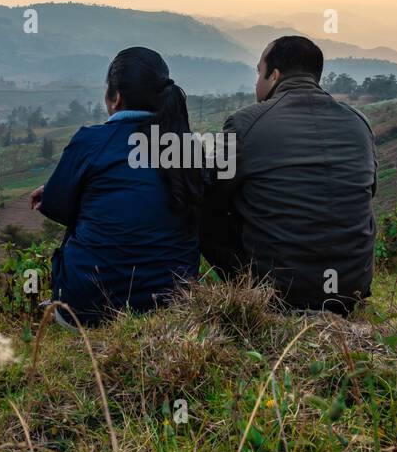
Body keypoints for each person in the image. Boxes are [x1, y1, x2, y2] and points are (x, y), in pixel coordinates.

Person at [201, 35, 377, 313]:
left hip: (280, 293)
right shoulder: (358, 122)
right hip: (350, 290)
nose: (257, 82)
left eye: (259, 72)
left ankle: (243, 290)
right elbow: (371, 191)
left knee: (201, 206)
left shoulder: (245, 123)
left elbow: (212, 197)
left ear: (274, 75)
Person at [30, 47, 203, 325]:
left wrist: (54, 196)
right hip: (173, 304)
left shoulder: (92, 141)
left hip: (87, 310)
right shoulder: (188, 149)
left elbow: (58, 207)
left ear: (115, 97)